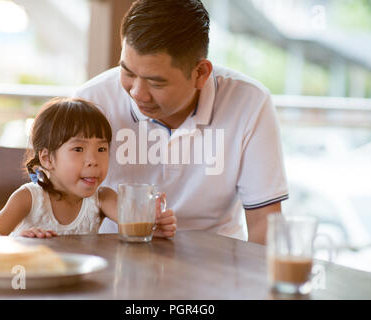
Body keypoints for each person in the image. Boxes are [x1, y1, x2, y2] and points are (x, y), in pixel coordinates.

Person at [75, 0, 288, 244]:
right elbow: (61, 198)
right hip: (116, 259)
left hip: (213, 266)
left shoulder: (250, 103)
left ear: (200, 74)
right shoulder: (92, 101)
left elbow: (264, 223)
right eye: (128, 72)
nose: (137, 93)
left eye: (156, 83)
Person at [0, 97, 176, 238]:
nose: (93, 160)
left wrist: (154, 223)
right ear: (48, 159)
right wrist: (19, 241)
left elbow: (134, 223)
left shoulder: (102, 198)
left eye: (101, 148)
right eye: (78, 148)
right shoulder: (29, 198)